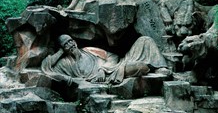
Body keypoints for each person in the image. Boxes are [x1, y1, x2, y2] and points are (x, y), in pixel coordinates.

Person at [41, 34, 171, 86]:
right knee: (142, 67)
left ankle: (161, 67)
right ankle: (151, 67)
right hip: (111, 76)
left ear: (75, 41)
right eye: (66, 45)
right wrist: (60, 52)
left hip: (117, 66)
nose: (71, 45)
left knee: (145, 40)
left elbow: (113, 57)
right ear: (63, 49)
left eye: (71, 41)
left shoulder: (88, 50)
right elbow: (46, 67)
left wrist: (102, 69)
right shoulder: (65, 63)